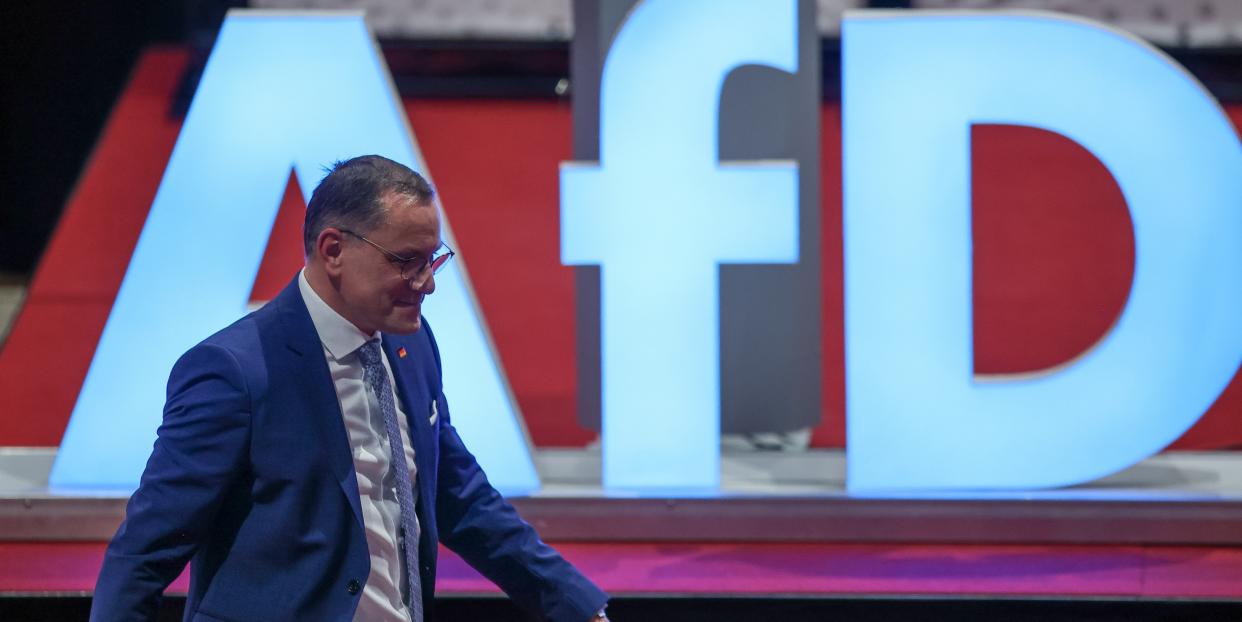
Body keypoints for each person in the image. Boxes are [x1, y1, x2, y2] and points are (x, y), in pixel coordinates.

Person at [90, 155, 609, 622]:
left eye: (434, 259)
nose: (427, 282)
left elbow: (459, 496)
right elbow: (145, 551)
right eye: (407, 261)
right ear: (333, 249)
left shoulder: (412, 344)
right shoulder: (234, 372)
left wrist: (575, 605)